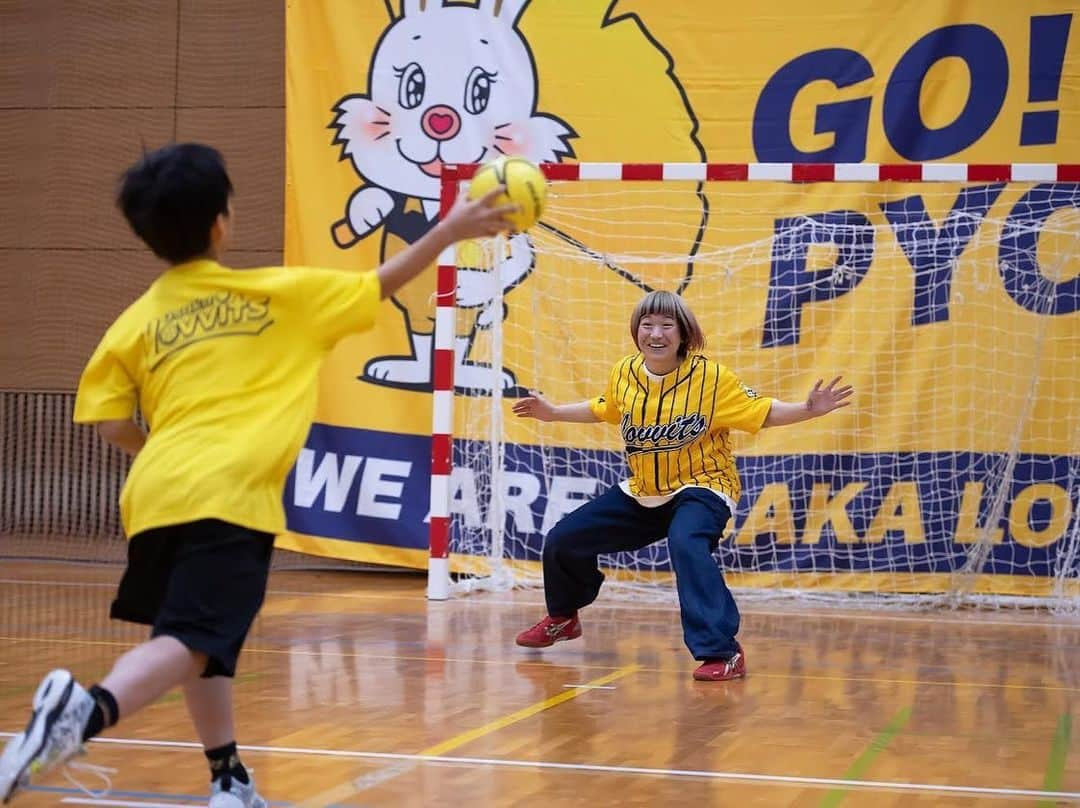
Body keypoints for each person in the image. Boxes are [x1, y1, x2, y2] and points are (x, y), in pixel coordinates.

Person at [0, 143, 513, 806]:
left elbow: (107, 422)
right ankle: (81, 714)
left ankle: (229, 777)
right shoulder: (280, 296)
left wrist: (163, 450)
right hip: (231, 495)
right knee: (193, 639)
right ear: (223, 223)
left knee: (198, 641)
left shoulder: (137, 320)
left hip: (155, 493)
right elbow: (381, 283)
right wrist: (450, 229)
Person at [512, 290, 852, 681]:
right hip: (644, 491)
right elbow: (604, 406)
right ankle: (563, 617)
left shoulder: (712, 379)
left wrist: (808, 409)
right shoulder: (625, 371)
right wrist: (553, 413)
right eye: (647, 324)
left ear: (684, 333)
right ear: (636, 331)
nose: (656, 334)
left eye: (666, 325)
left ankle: (722, 652)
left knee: (686, 543)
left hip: (703, 487)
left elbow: (764, 411)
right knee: (563, 539)